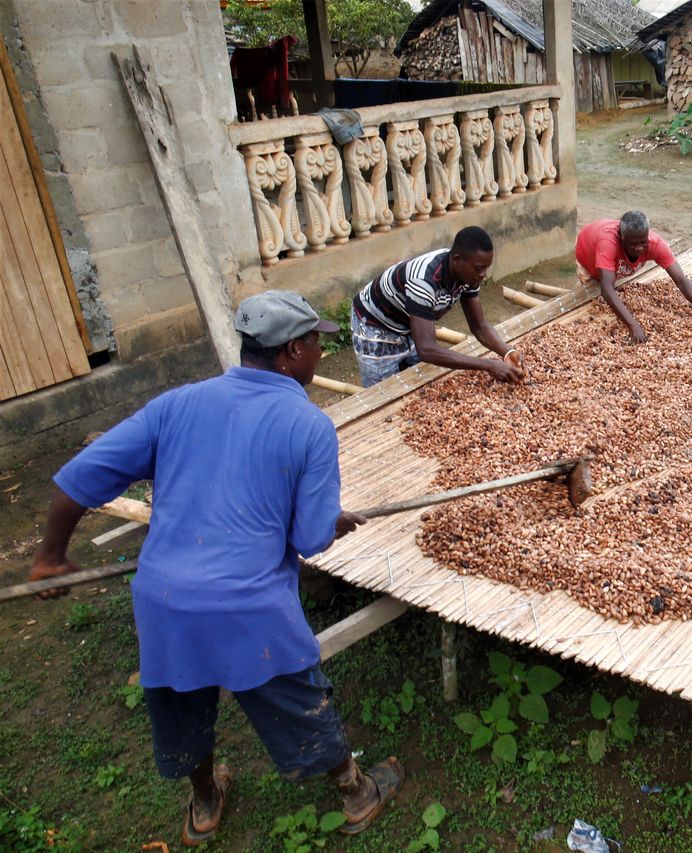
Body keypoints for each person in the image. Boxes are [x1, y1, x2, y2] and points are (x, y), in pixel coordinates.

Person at [28, 291, 402, 844]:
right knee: (299, 700)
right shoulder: (308, 424)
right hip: (249, 608)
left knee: (180, 699)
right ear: (292, 350)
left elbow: (78, 480)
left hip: (164, 603)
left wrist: (49, 557)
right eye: (318, 344)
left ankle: (204, 804)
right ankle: (355, 791)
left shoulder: (176, 404)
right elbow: (308, 538)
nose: (322, 354)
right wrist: (326, 520)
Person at [351, 226, 524, 387]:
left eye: (486, 268)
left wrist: (508, 352)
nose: (483, 275)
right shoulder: (423, 281)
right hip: (374, 326)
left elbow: (479, 326)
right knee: (386, 394)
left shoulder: (469, 275)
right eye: (479, 269)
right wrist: (489, 365)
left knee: (420, 385)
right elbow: (426, 350)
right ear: (457, 260)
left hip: (408, 323)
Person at [575, 211, 692, 343]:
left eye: (642, 242)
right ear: (621, 236)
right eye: (633, 244)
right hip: (586, 254)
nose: (639, 248)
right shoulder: (608, 243)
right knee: (592, 290)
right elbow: (607, 288)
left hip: (610, 255)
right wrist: (633, 325)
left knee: (612, 276)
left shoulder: (655, 244)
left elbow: (681, 280)